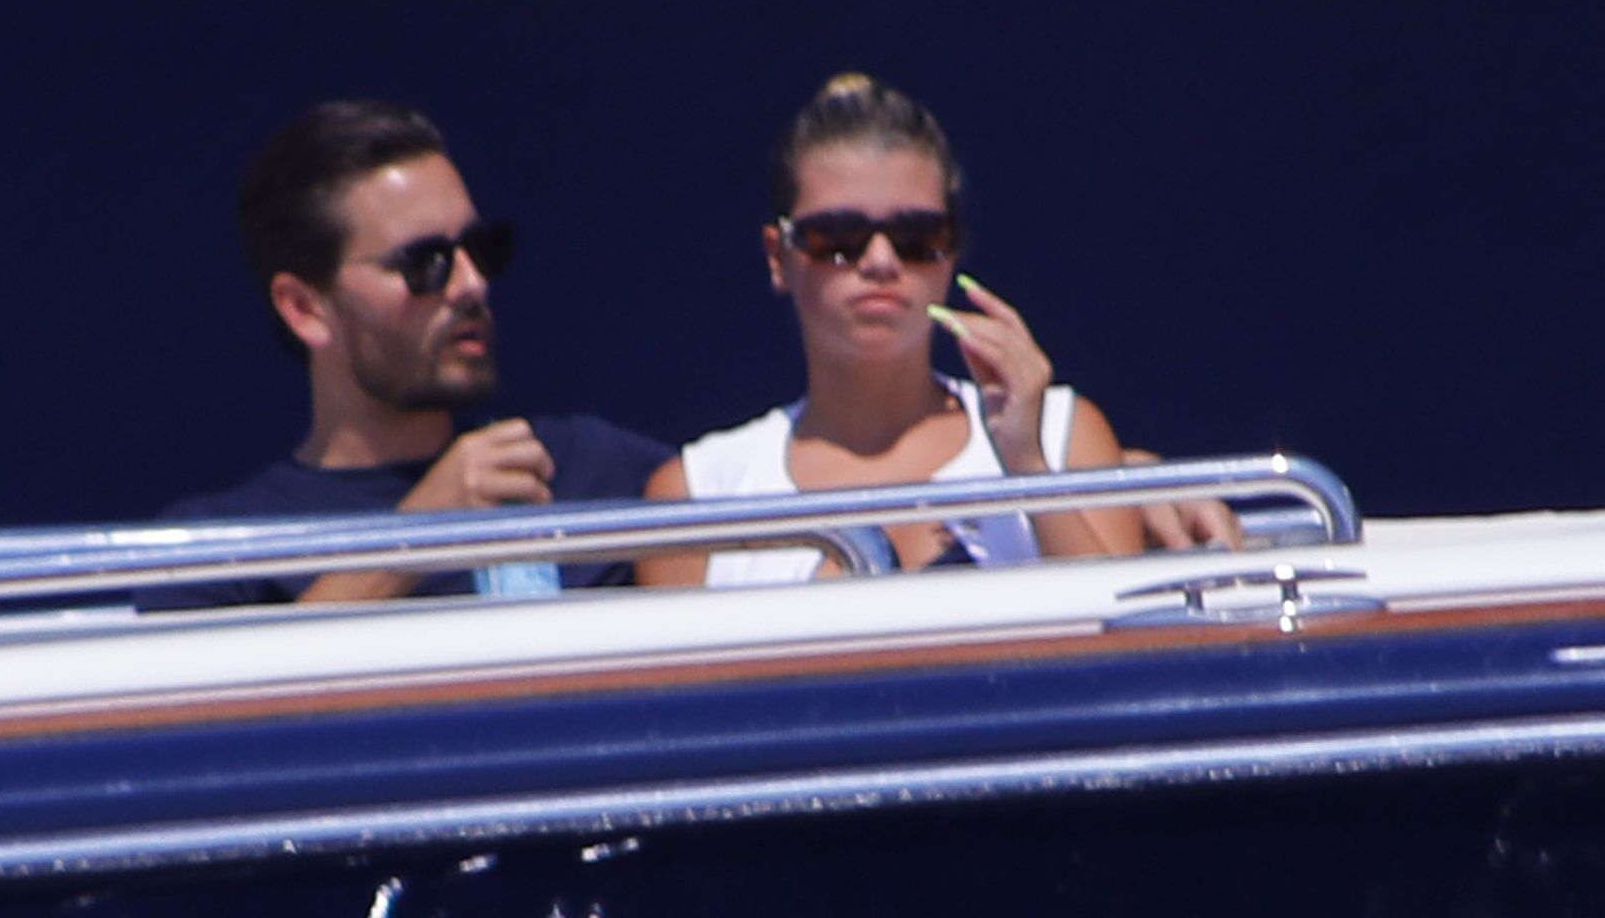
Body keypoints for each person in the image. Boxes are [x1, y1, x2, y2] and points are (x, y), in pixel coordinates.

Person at [637, 74, 1235, 587]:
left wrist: (1026, 464)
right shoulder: (700, 493)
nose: (880, 263)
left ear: (952, 253)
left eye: (916, 238)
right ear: (778, 257)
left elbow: (1117, 653)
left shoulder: (1061, 436)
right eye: (838, 239)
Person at [141, 99, 669, 610]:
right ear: (305, 308)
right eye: (424, 264)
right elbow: (241, 675)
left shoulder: (589, 469)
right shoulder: (219, 552)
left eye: (480, 249)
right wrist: (420, 533)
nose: (471, 284)